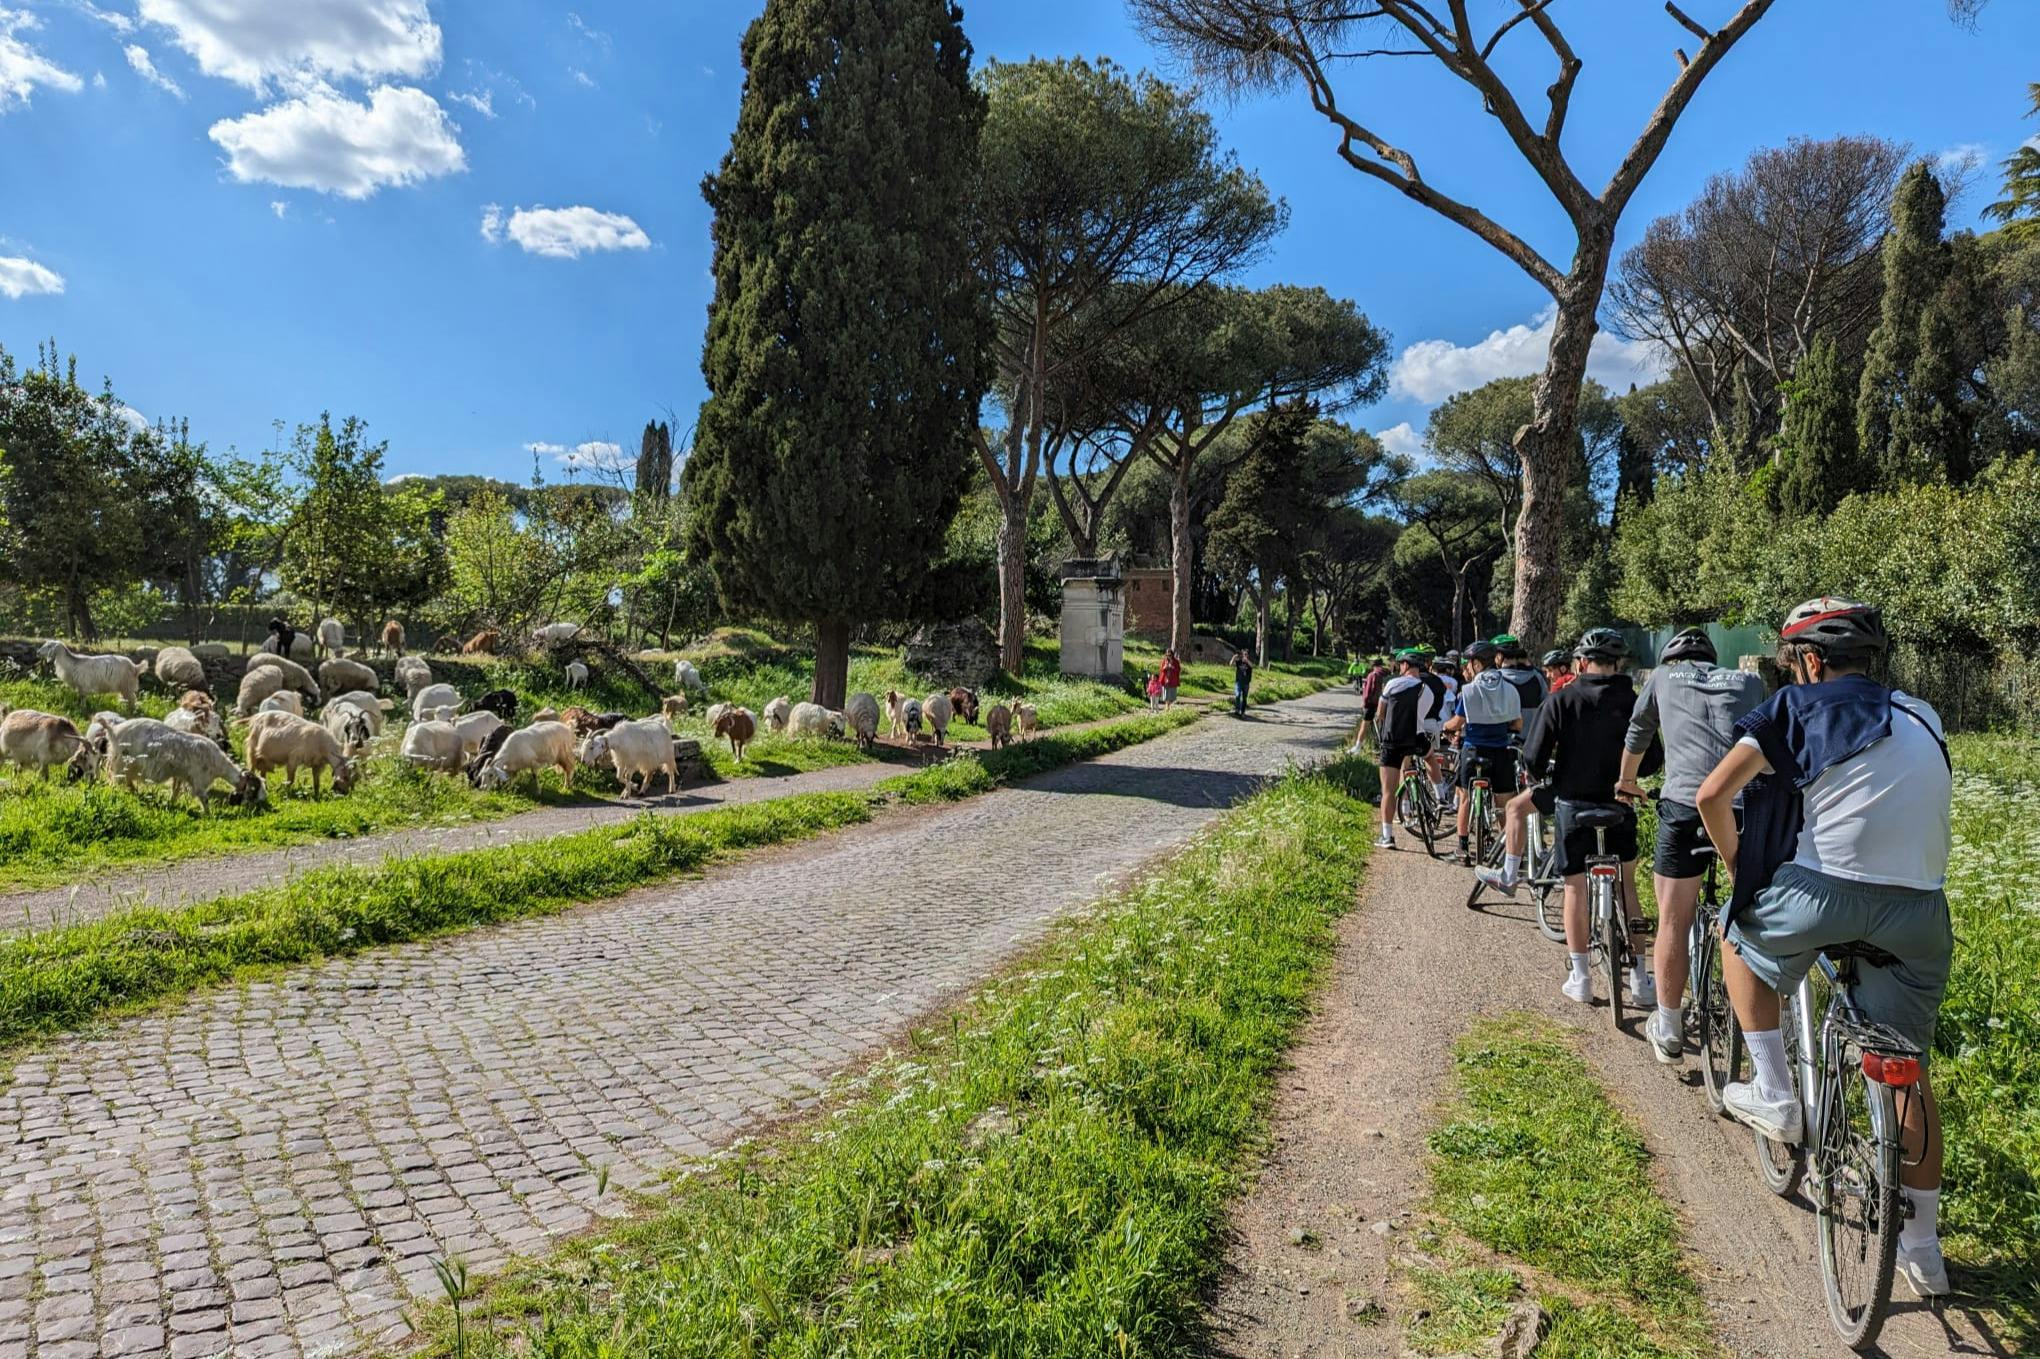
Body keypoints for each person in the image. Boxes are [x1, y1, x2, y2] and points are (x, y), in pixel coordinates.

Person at [1695, 598, 1953, 1297]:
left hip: (1824, 892)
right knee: (1905, 1065)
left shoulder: (1792, 707)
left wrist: (1736, 863)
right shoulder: (1921, 713)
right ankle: (1925, 1251)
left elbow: (1713, 796)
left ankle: (1776, 1090)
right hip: (1922, 910)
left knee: (1736, 936)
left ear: (1808, 661)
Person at [1615, 627, 1767, 1064]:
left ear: (1671, 659)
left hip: (1685, 806)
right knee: (1751, 914)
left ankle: (1669, 1025)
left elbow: (1638, 732)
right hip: (1743, 808)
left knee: (1673, 920)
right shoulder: (1750, 681)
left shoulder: (1662, 679)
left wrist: (1626, 781)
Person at [1517, 628, 1654, 1005]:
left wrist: (1543, 774)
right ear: (1619, 664)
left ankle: (1580, 977)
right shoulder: (1633, 702)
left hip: (1573, 807)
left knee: (1575, 887)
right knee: (1627, 885)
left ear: (1580, 663)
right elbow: (1654, 757)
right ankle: (1641, 977)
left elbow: (1533, 757)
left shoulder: (1562, 700)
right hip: (1619, 804)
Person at [1440, 641, 1522, 864]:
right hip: (1501, 751)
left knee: (1464, 797)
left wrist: (1445, 727)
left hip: (1474, 749)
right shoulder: (1510, 689)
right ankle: (1509, 853)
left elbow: (1458, 722)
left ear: (1476, 664)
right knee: (1504, 802)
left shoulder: (1469, 690)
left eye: (1469, 663)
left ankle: (1463, 850)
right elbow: (1517, 724)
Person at [1371, 649, 1433, 849]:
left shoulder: (1392, 683)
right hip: (1415, 740)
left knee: (1388, 790)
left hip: (1392, 741)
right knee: (1424, 762)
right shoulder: (1427, 689)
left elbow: (1380, 712)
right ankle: (1434, 797)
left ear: (1404, 665)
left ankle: (1387, 836)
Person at [1492, 635, 1547, 711]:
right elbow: (1546, 704)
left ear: (1499, 656)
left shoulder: (1495, 679)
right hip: (1535, 722)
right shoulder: (1537, 676)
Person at [1230, 648, 1254, 717]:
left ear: (1248, 655)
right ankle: (1237, 709)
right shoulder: (1239, 661)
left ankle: (1242, 712)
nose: (1245, 656)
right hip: (1238, 682)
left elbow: (1252, 666)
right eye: (1244, 654)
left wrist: (1247, 661)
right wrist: (1233, 657)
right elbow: (1230, 664)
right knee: (1237, 695)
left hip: (1246, 683)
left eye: (1246, 654)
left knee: (1244, 698)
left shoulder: (1249, 662)